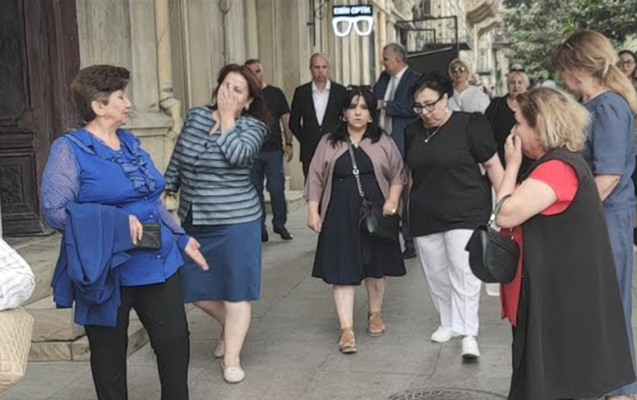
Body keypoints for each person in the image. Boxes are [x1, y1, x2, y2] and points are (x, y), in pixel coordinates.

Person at [41, 64, 208, 400]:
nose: (129, 103)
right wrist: (114, 222)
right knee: (109, 358)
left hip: (157, 261)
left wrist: (180, 237)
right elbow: (54, 211)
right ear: (98, 106)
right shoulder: (69, 149)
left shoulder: (130, 143)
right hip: (106, 269)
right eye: (121, 97)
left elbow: (153, 200)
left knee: (174, 344)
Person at [495, 87, 636, 400]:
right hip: (563, 289)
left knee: (554, 378)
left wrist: (512, 164)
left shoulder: (556, 168)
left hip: (558, 295)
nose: (514, 132)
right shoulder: (562, 163)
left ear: (539, 127)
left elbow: (504, 214)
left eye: (519, 123)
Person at [164, 64, 268, 384]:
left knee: (236, 290)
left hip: (237, 221)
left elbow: (238, 156)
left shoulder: (253, 127)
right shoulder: (196, 116)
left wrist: (227, 119)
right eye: (226, 85)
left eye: (238, 90)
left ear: (248, 101)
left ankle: (232, 357)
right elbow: (180, 157)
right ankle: (231, 324)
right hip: (195, 218)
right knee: (190, 285)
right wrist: (166, 187)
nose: (229, 93)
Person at [554, 30, 637, 400]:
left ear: (577, 66)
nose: (560, 76)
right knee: (595, 305)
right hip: (599, 217)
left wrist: (572, 217)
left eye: (562, 68)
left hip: (605, 218)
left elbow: (609, 176)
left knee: (610, 306)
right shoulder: (597, 104)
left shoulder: (607, 107)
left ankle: (619, 391)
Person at [405, 72, 503, 360]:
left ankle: (468, 332)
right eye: (419, 106)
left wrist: (503, 206)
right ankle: (447, 321)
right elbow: (413, 173)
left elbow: (493, 165)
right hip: (425, 211)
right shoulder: (412, 131)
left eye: (430, 104)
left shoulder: (470, 124)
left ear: (445, 98)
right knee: (436, 274)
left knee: (464, 272)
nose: (425, 112)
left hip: (466, 210)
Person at [305, 86, 406, 354]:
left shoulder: (382, 140)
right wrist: (313, 210)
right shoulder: (329, 142)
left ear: (371, 114)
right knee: (342, 270)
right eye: (352, 107)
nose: (358, 112)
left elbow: (398, 174)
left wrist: (393, 199)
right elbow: (315, 177)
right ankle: (346, 329)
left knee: (376, 267)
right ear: (344, 112)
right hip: (338, 212)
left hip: (376, 211)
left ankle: (375, 313)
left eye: (364, 108)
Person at [372, 42, 421, 260]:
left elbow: (413, 108)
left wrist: (385, 105)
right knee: (382, 191)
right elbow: (372, 102)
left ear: (398, 59)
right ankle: (385, 237)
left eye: (385, 59)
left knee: (405, 193)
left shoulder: (414, 79)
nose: (383, 62)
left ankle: (409, 240)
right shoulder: (383, 79)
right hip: (380, 143)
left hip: (403, 144)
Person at [245, 59, 294, 242]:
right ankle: (260, 228)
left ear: (263, 72)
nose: (255, 75)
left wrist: (289, 143)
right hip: (251, 152)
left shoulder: (275, 93)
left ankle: (280, 224)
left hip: (273, 150)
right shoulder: (243, 96)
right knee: (254, 191)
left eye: (257, 71)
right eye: (250, 72)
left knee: (276, 188)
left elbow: (286, 119)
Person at [290, 53, 348, 179]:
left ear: (328, 68)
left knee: (335, 184)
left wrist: (339, 137)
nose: (320, 71)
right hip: (309, 150)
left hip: (334, 147)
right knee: (311, 185)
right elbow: (293, 122)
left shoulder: (340, 91)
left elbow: (346, 118)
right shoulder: (301, 92)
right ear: (310, 68)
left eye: (324, 67)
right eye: (316, 67)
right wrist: (305, 139)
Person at [485, 70, 532, 174]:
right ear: (507, 85)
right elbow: (486, 128)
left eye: (520, 82)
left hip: (527, 157)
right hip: (500, 157)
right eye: (512, 83)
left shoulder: (532, 106)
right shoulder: (496, 104)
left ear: (526, 85)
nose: (516, 86)